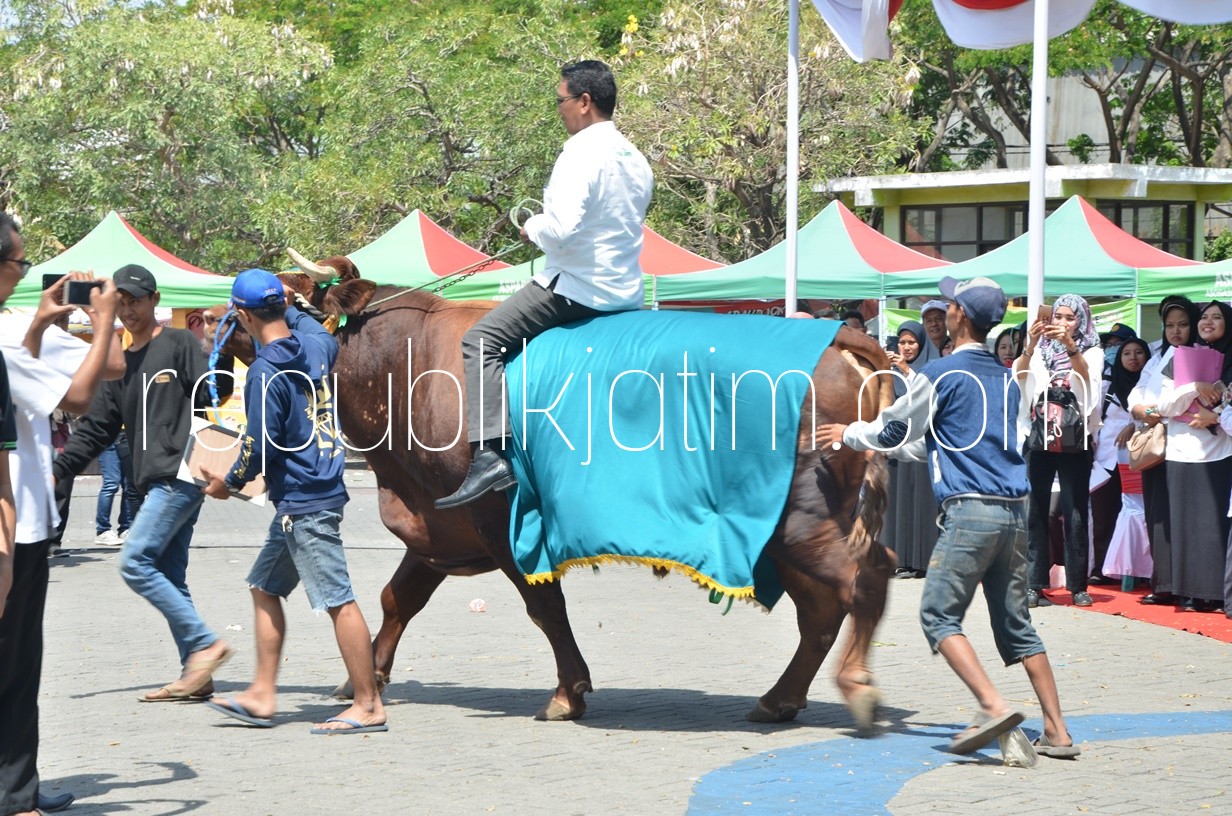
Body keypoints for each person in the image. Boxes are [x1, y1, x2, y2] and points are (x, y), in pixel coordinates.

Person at [820, 276, 1078, 759]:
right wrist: (881, 442)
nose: (944, 311)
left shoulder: (941, 375)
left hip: (970, 512)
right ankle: (1058, 732)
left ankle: (991, 705)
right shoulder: (1005, 377)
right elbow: (937, 442)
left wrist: (849, 433)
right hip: (1014, 515)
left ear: (959, 314)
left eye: (950, 304)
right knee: (1018, 626)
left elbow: (894, 425)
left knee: (938, 615)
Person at [436, 59, 654, 509]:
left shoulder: (579, 152)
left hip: (576, 288)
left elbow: (561, 231)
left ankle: (490, 454)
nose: (559, 110)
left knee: (481, 339)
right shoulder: (636, 158)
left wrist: (531, 226)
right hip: (627, 292)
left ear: (584, 102)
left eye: (560, 101)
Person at [198, 269, 386, 734]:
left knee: (338, 600)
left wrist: (227, 483)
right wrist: (295, 304)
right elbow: (303, 323)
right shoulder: (318, 345)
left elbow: (257, 446)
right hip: (313, 493)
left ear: (240, 314)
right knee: (264, 586)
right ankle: (262, 693)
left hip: (305, 501)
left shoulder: (265, 372)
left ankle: (368, 704)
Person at [53, 264, 234, 702]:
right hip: (151, 481)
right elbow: (96, 428)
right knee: (171, 575)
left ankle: (207, 644)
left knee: (134, 561)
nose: (129, 308)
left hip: (182, 475)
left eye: (136, 299)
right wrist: (57, 471)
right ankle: (198, 674)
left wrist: (221, 345)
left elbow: (216, 391)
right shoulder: (117, 364)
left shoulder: (178, 343)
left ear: (155, 300)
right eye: (121, 301)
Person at [0, 212, 126, 816]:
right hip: (15, 522)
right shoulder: (1, 335)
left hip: (22, 514)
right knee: (18, 662)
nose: (25, 272)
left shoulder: (11, 335)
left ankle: (16, 784)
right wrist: (101, 323)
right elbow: (77, 396)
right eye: (21, 261)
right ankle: (17, 795)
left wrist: (45, 324)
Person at [1014, 295, 1103, 609]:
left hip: (1075, 435)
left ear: (1081, 319)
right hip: (1040, 432)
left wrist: (1070, 346)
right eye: (1059, 317)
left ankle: (1078, 584)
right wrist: (1030, 344)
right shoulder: (1039, 348)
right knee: (1035, 508)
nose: (1063, 323)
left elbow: (1089, 383)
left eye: (1070, 318)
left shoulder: (1092, 348)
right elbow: (1020, 375)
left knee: (1075, 507)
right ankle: (1034, 584)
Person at [1154, 301, 1232, 614]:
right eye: (1204, 317)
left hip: (1219, 451)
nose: (1208, 322)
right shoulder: (1180, 355)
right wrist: (1193, 388)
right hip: (1182, 451)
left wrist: (1213, 415)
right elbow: (1164, 406)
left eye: (1217, 317)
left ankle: (1214, 593)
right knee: (1185, 525)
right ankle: (1187, 593)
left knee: (1212, 526)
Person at [1128, 297, 1199, 606]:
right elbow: (1137, 392)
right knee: (1157, 514)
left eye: (1183, 324)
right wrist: (1141, 409)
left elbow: (1184, 397)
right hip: (1156, 442)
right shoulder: (1158, 355)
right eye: (1170, 325)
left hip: (1189, 445)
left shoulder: (1200, 354)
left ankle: (1189, 587)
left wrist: (1153, 408)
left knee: (1183, 516)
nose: (1176, 331)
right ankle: (1164, 583)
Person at [1090, 339, 1150, 583]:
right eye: (1127, 353)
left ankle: (1140, 571)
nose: (1133, 358)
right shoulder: (1108, 386)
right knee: (1103, 515)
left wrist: (1133, 425)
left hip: (1140, 458)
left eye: (1138, 352)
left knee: (1139, 516)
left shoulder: (1150, 387)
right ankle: (1102, 569)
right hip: (1105, 460)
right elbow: (1094, 418)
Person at [883, 321, 937, 579]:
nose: (906, 348)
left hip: (921, 444)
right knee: (898, 503)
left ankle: (922, 560)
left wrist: (905, 370)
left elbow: (923, 398)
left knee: (921, 504)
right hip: (896, 443)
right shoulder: (890, 370)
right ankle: (898, 558)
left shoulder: (930, 368)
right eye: (902, 342)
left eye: (911, 342)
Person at [94, 432, 139, 546]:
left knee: (129, 485)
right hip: (109, 436)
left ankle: (125, 528)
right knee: (111, 484)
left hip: (128, 436)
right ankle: (103, 530)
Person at [918, 299, 949, 363]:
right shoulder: (917, 351)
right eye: (929, 320)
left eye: (938, 319)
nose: (934, 324)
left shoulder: (956, 348)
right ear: (923, 324)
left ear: (947, 321)